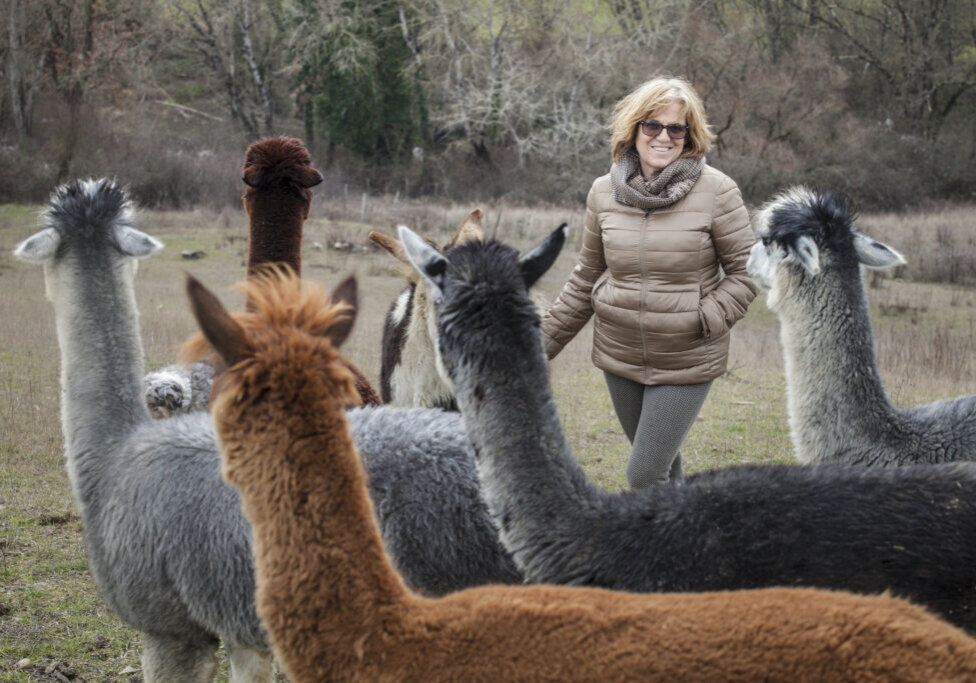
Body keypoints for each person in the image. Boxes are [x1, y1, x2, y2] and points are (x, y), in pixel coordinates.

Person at [541, 76, 757, 489]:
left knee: (644, 474)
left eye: (677, 128)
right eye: (652, 125)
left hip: (685, 359)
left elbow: (747, 273)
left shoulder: (717, 191)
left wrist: (702, 318)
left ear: (690, 136)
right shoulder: (604, 193)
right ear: (633, 129)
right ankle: (688, 548)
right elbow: (586, 278)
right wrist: (537, 348)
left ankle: (662, 552)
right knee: (665, 473)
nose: (664, 136)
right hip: (619, 355)